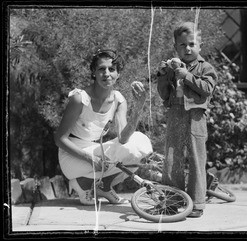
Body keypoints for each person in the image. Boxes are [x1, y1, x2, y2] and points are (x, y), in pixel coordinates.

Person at [54, 49, 153, 205]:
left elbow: (123, 138)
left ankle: (104, 187)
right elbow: (59, 140)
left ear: (118, 74)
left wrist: (138, 106)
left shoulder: (119, 99)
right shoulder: (80, 98)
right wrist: (89, 158)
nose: (107, 73)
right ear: (94, 72)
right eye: (101, 69)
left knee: (138, 143)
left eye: (111, 69)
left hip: (94, 150)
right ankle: (82, 184)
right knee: (128, 150)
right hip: (72, 156)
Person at [157, 22, 217, 218]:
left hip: (196, 117)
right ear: (176, 47)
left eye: (192, 44)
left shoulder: (205, 67)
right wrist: (164, 75)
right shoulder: (173, 67)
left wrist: (187, 76)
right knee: (172, 158)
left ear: (200, 45)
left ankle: (197, 203)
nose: (187, 48)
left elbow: (207, 89)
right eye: (182, 45)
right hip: (175, 113)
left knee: (196, 159)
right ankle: (172, 201)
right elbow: (164, 94)